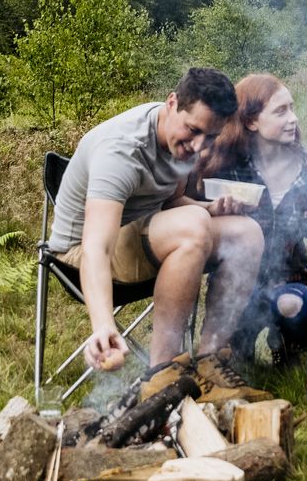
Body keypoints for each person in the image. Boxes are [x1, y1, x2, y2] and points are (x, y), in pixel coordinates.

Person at [46, 66, 265, 399]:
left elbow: (175, 201)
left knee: (246, 233)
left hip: (145, 234)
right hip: (81, 253)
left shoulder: (186, 141)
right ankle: (162, 375)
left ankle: (209, 364)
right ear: (172, 102)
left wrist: (211, 209)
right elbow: (95, 248)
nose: (198, 146)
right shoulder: (122, 151)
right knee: (192, 227)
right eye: (193, 131)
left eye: (209, 137)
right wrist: (103, 326)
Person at [191, 72, 307, 366]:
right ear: (251, 121)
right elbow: (195, 216)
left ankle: (291, 340)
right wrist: (216, 210)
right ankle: (238, 347)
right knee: (236, 361)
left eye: (292, 108)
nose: (293, 118)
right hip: (237, 282)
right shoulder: (225, 166)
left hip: (291, 278)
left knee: (290, 304)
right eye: (281, 111)